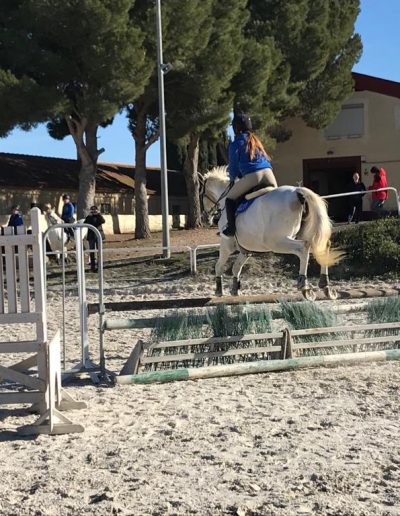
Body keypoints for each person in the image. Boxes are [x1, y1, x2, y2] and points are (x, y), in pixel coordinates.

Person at [223, 111, 277, 237]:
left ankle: (231, 229)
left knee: (229, 199)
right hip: (269, 174)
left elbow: (233, 168)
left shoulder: (236, 143)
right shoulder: (256, 141)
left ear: (235, 128)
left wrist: (232, 180)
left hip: (254, 176)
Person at [84, 206, 105, 272]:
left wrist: (98, 214)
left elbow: (103, 221)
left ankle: (99, 267)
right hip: (91, 236)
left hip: (98, 236)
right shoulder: (89, 217)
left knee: (99, 252)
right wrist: (89, 216)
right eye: (92, 210)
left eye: (94, 210)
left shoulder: (99, 216)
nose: (93, 211)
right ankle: (92, 267)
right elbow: (85, 223)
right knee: (92, 252)